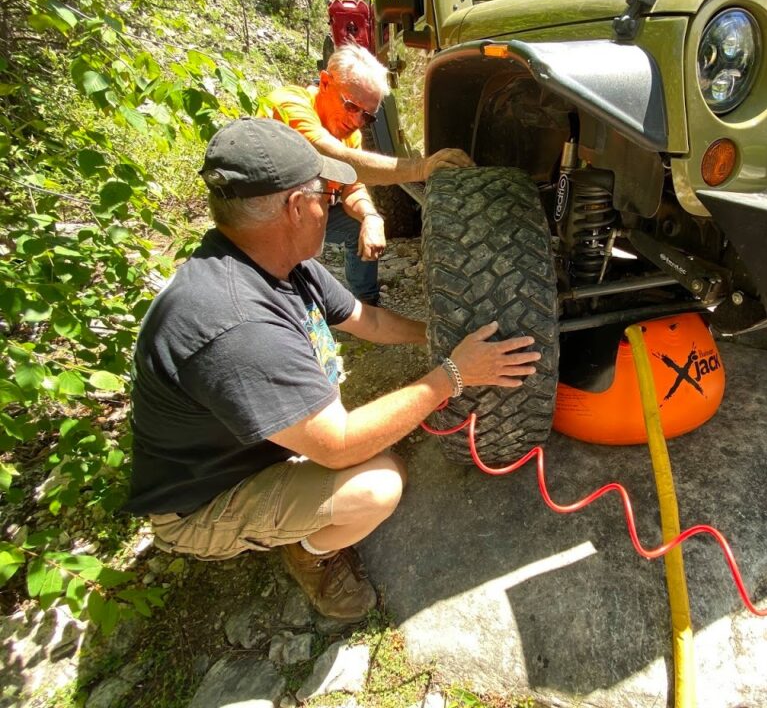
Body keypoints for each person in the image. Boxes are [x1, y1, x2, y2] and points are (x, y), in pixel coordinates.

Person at [126, 118, 539, 623]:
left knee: (374, 443)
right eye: (329, 191)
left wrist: (443, 335)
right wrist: (453, 375)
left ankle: (298, 502)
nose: (337, 201)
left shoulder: (277, 263)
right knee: (377, 485)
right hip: (204, 500)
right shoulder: (236, 323)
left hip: (260, 448)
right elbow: (338, 444)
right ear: (297, 207)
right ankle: (309, 552)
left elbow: (370, 320)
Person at [266, 42, 473, 305]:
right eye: (351, 107)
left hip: (307, 212)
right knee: (308, 204)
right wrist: (421, 168)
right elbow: (326, 154)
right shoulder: (289, 104)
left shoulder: (348, 132)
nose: (356, 122)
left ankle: (364, 304)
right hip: (267, 217)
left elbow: (351, 183)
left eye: (367, 117)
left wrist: (371, 217)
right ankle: (281, 300)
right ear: (325, 82)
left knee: (356, 224)